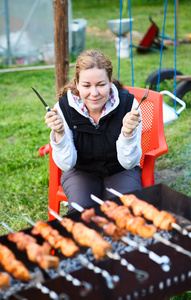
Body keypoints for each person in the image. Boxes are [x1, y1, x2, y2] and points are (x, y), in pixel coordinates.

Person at [45, 49, 142, 215]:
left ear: (110, 81)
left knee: (125, 213)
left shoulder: (129, 105)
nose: (94, 93)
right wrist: (60, 134)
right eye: (86, 85)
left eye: (101, 85)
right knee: (80, 214)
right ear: (76, 83)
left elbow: (128, 163)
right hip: (81, 172)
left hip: (120, 170)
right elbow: (67, 164)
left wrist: (127, 133)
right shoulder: (63, 108)